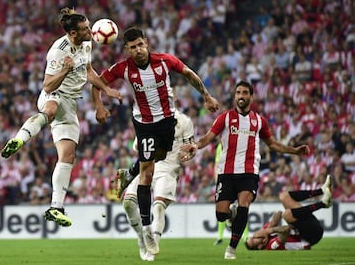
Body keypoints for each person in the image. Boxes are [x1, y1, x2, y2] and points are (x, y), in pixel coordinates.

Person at [92, 27, 220, 255]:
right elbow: (98, 82)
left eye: (140, 45)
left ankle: (128, 174)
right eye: (133, 47)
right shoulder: (124, 68)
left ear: (147, 43)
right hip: (144, 124)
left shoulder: (165, 61)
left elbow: (189, 74)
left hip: (167, 122)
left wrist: (207, 96)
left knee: (157, 157)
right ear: (127, 49)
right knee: (147, 172)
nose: (138, 50)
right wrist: (100, 105)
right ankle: (148, 228)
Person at [0, 8, 122, 227]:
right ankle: (20, 139)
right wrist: (65, 71)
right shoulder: (58, 50)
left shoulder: (86, 43)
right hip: (54, 93)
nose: (91, 31)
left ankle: (55, 208)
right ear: (73, 34)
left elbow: (89, 70)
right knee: (49, 111)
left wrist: (105, 90)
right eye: (86, 29)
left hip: (71, 103)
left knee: (68, 155)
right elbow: (47, 85)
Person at [180, 81, 310, 259]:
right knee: (221, 215)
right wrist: (195, 146)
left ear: (251, 96)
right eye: (238, 93)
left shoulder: (259, 121)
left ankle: (231, 249)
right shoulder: (225, 118)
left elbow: (272, 144)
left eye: (244, 93)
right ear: (235, 96)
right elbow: (207, 138)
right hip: (226, 172)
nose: (241, 96)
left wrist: (294, 151)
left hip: (249, 172)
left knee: (244, 205)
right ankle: (230, 215)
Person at [123, 109, 194, 261]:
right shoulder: (147, 119)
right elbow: (138, 147)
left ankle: (152, 247)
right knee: (128, 203)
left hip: (168, 169)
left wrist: (189, 154)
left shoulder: (184, 121)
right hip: (146, 166)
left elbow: (191, 147)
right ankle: (142, 239)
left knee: (158, 207)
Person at [245, 175, 333, 250]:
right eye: (253, 240)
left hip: (306, 227)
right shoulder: (271, 246)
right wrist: (268, 231)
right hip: (312, 236)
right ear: (260, 246)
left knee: (283, 196)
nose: (254, 236)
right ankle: (322, 204)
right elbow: (286, 229)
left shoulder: (265, 233)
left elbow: (278, 214)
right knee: (287, 214)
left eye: (252, 237)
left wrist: (267, 229)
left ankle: (321, 190)